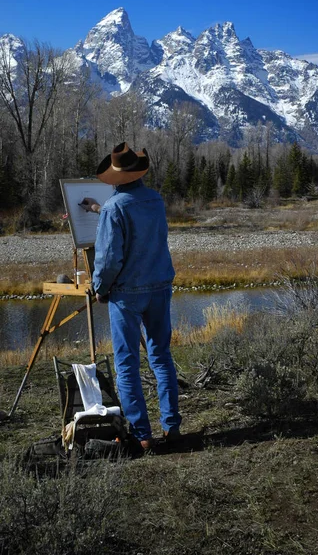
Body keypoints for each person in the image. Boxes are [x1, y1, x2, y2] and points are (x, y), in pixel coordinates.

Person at [81, 142, 181, 452]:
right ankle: (172, 427)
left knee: (127, 364)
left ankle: (142, 435)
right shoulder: (154, 199)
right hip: (159, 285)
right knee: (161, 357)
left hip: (127, 293)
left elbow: (110, 258)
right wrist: (98, 209)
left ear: (115, 178)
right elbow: (137, 226)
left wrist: (100, 288)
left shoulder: (115, 208)